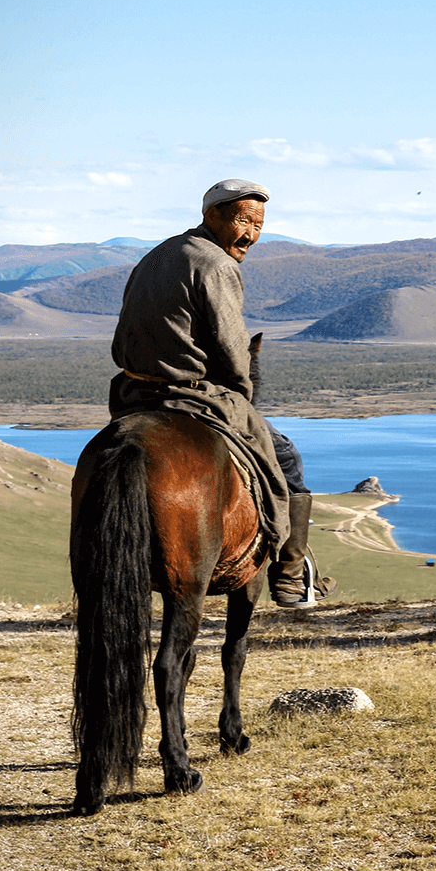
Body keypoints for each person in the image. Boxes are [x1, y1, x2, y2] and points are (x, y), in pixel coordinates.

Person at [109, 178, 331, 607]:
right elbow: (232, 347)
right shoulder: (215, 265)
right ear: (211, 215)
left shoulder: (156, 255)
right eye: (242, 220)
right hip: (192, 395)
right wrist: (242, 392)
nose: (250, 234)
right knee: (283, 455)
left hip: (133, 394)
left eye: (258, 225)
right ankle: (290, 573)